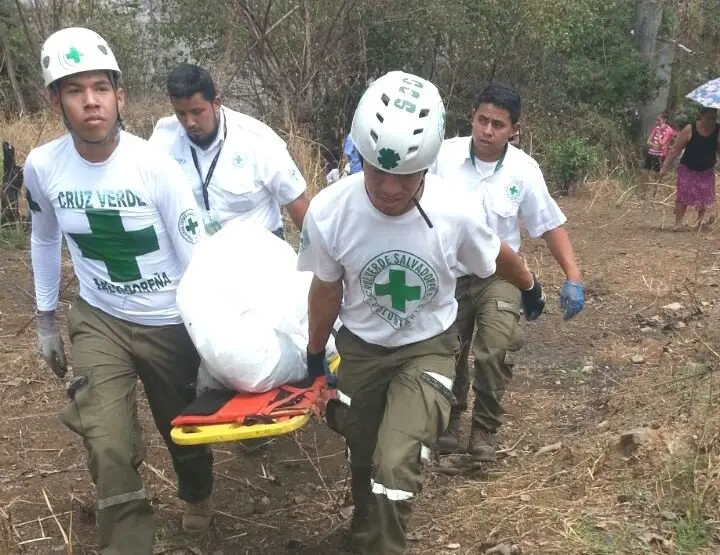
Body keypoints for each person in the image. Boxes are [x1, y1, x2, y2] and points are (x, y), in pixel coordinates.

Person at [298, 71, 546, 555]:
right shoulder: (330, 211)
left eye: (406, 175)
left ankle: (385, 546)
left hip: (428, 349)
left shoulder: (455, 210)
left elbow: (495, 254)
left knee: (396, 466)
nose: (390, 188)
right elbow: (325, 290)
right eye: (376, 171)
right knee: (363, 455)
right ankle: (366, 527)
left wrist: (530, 286)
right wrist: (313, 356)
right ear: (360, 159)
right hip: (361, 349)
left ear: (428, 165)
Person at [25, 27, 214, 553]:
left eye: (100, 88)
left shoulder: (156, 168)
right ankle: (127, 542)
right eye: (74, 89)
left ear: (119, 95)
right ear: (55, 100)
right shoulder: (43, 166)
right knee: (106, 440)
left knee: (182, 427)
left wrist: (210, 340)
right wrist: (45, 320)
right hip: (98, 318)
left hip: (169, 320)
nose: (90, 101)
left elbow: (196, 260)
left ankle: (196, 491)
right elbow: (43, 238)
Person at [430, 83, 584, 461]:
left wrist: (573, 276)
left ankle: (484, 428)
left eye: (498, 124)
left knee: (495, 349)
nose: (487, 130)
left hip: (501, 274)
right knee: (448, 349)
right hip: (449, 273)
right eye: (482, 120)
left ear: (514, 128)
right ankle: (450, 416)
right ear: (472, 117)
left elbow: (548, 225)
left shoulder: (523, 170)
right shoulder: (442, 158)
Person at [149, 63, 309, 238]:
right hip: (198, 251)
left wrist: (317, 260)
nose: (190, 123)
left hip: (258, 250)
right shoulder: (163, 141)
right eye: (181, 114)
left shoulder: (257, 139)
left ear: (216, 103)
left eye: (197, 112)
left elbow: (297, 203)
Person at [659, 107, 720, 230]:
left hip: (707, 168)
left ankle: (700, 223)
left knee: (704, 195)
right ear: (701, 116)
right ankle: (678, 222)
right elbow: (675, 149)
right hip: (688, 167)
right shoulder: (689, 129)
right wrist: (664, 167)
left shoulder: (718, 130)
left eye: (714, 118)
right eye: (708, 118)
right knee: (683, 195)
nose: (711, 121)